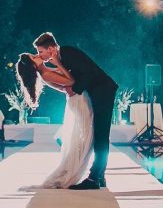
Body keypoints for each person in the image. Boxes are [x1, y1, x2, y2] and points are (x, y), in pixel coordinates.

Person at [33, 32, 118, 190]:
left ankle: (94, 178)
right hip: (97, 92)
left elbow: (88, 72)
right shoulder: (62, 57)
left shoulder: (67, 52)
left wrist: (75, 89)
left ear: (51, 48)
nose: (40, 55)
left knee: (100, 135)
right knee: (99, 135)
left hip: (103, 91)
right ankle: (99, 176)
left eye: (40, 51)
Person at [16, 53, 94, 188]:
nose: (37, 55)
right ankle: (71, 172)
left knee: (84, 136)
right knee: (84, 136)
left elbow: (64, 84)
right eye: (34, 57)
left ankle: (75, 169)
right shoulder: (46, 74)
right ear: (34, 65)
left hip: (77, 99)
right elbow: (71, 82)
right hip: (78, 101)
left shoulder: (46, 71)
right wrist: (58, 63)